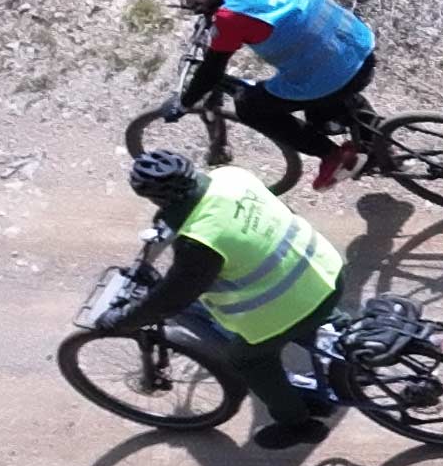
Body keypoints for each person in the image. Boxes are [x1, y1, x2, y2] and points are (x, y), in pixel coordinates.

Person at [108, 145, 341, 445]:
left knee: (247, 360)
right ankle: (337, 338)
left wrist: (124, 321)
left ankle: (297, 424)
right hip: (326, 267)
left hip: (295, 304)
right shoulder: (232, 177)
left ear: (153, 197)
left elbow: (174, 298)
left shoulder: (200, 241)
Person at [153, 0, 382, 184]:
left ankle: (333, 156)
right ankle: (381, 142)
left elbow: (212, 71)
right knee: (326, 74)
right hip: (358, 44)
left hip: (333, 74)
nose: (189, 2)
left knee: (250, 106)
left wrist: (184, 103)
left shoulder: (232, 16)